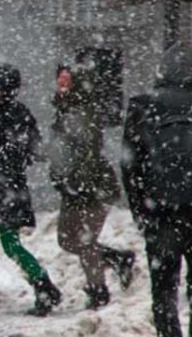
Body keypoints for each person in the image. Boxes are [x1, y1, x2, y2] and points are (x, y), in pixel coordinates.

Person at [0, 63, 62, 316]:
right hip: (7, 187)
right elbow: (35, 149)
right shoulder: (6, 112)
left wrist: (2, 158)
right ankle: (42, 287)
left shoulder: (2, 114)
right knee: (3, 242)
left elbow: (31, 150)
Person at [122, 44, 192, 337]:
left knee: (164, 291)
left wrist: (141, 210)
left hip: (161, 213)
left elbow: (130, 166)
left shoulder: (143, 106)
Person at [49, 62, 136, 309]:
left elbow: (85, 153)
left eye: (66, 80)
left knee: (84, 241)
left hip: (89, 187)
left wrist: (76, 183)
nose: (61, 84)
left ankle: (98, 292)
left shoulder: (81, 112)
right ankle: (117, 258)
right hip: (73, 186)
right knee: (67, 240)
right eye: (60, 79)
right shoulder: (66, 109)